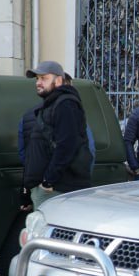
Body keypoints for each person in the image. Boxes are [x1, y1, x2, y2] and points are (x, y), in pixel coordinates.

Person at [21, 60, 93, 208]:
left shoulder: (65, 104)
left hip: (57, 189)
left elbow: (67, 145)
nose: (38, 83)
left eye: (44, 78)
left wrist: (48, 181)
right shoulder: (51, 105)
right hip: (47, 188)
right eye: (37, 79)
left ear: (59, 80)